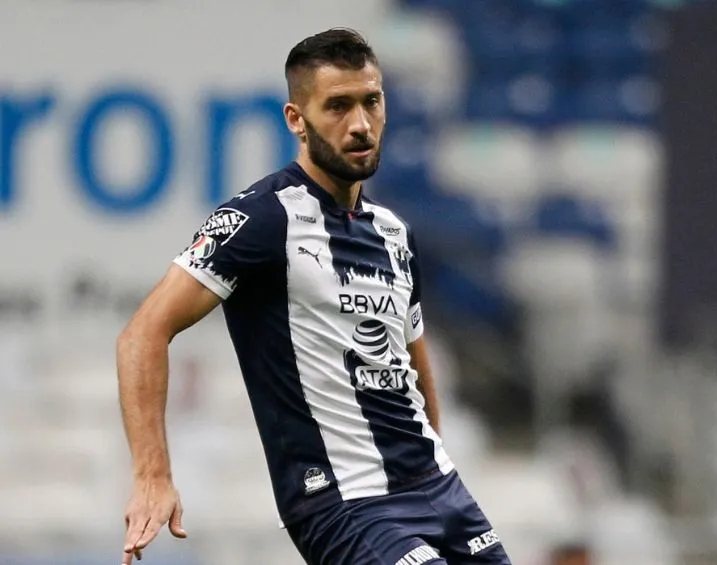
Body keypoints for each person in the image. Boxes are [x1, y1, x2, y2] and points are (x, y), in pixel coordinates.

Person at [117, 28, 512, 565]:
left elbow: (411, 358)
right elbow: (142, 334)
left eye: (371, 101)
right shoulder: (261, 218)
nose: (360, 124)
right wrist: (152, 475)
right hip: (344, 503)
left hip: (439, 491)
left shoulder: (393, 231)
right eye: (338, 106)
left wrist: (437, 460)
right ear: (295, 120)